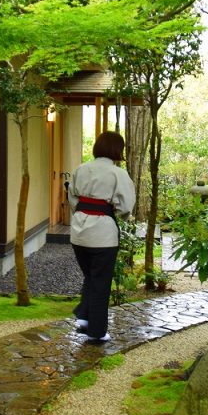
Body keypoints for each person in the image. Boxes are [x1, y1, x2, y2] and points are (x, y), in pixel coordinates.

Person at [66, 131, 136, 343]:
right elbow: (125, 205)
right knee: (101, 281)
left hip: (78, 232)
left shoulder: (81, 168)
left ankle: (85, 319)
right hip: (103, 234)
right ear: (117, 150)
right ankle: (97, 331)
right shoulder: (118, 174)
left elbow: (73, 198)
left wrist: (83, 211)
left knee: (91, 276)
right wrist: (120, 214)